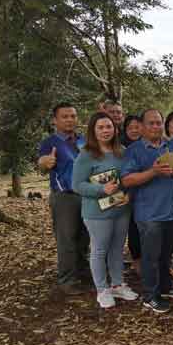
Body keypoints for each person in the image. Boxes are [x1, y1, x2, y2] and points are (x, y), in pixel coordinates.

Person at [121, 109, 173, 313]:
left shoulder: (170, 146)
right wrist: (153, 171)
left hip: (172, 211)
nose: (156, 127)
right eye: (151, 123)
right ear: (142, 127)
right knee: (150, 256)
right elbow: (127, 179)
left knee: (166, 254)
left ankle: (166, 285)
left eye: (159, 123)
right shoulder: (134, 150)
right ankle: (150, 295)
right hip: (149, 213)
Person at [72, 113, 138, 308]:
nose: (105, 131)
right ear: (93, 131)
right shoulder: (86, 154)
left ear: (115, 129)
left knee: (117, 249)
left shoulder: (122, 151)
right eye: (100, 127)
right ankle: (102, 289)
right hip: (97, 213)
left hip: (120, 209)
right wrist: (101, 189)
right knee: (100, 250)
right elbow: (77, 185)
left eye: (108, 126)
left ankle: (118, 284)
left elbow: (129, 177)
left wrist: (128, 194)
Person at [38, 103, 90, 295]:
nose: (70, 120)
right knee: (67, 239)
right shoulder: (49, 142)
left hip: (86, 195)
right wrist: (44, 163)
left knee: (84, 237)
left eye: (73, 116)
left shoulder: (84, 140)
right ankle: (67, 280)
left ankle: (83, 273)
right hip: (65, 197)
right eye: (65, 116)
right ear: (55, 120)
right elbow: (42, 165)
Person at [120, 114, 143, 276]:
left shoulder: (149, 145)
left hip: (146, 195)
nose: (134, 130)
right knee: (133, 230)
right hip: (124, 196)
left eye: (137, 127)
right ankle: (137, 264)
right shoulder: (119, 148)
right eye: (130, 128)